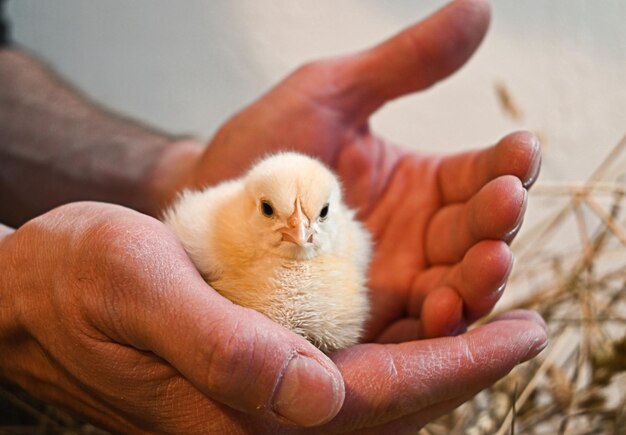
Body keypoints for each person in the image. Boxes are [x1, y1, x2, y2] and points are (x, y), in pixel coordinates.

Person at [0, 0, 547, 433]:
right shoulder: (205, 235)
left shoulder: (346, 244)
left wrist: (172, 169)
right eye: (273, 212)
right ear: (252, 204)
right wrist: (15, 283)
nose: (301, 228)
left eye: (317, 216)